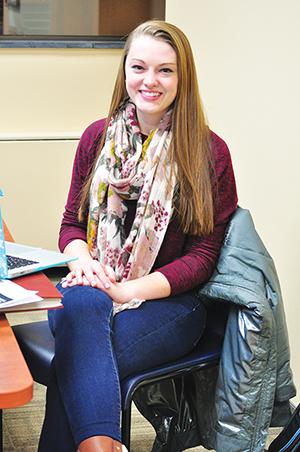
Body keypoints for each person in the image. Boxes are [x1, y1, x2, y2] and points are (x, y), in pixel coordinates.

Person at [38, 20, 238, 452]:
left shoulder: (208, 152)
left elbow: (202, 257)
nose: (149, 81)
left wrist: (124, 289)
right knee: (84, 304)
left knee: (71, 363)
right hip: (93, 292)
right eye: (139, 67)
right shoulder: (98, 137)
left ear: (183, 78)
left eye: (165, 70)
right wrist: (84, 262)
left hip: (172, 306)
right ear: (124, 70)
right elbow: (71, 223)